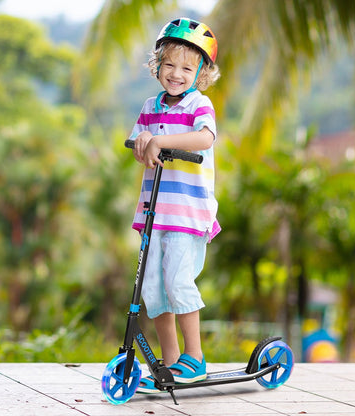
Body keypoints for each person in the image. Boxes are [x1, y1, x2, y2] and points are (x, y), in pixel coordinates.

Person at [128, 17, 221, 394]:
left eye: (187, 67)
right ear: (157, 65)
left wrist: (161, 141)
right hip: (154, 212)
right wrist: (145, 140)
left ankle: (194, 359)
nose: (176, 73)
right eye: (169, 64)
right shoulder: (150, 106)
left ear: (200, 72)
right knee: (152, 290)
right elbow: (139, 143)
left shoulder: (201, 104)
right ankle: (169, 363)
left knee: (178, 282)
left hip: (187, 212)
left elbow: (205, 139)